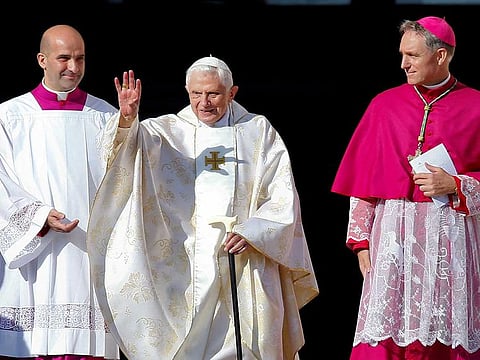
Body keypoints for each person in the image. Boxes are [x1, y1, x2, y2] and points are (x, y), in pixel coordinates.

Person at [86, 56, 319, 360]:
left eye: (213, 94)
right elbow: (123, 158)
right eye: (196, 94)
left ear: (232, 93)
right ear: (186, 91)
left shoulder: (257, 131)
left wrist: (252, 232)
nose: (204, 103)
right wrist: (128, 119)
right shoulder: (167, 130)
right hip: (184, 264)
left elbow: (283, 196)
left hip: (245, 259)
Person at [331, 15, 480, 359]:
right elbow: (364, 181)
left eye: (412, 55)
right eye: (402, 54)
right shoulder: (383, 105)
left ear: (440, 55)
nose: (403, 64)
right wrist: (361, 242)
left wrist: (457, 184)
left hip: (451, 242)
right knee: (387, 338)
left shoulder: (475, 105)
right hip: (393, 239)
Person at [0, 24, 120, 359]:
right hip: (33, 253)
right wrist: (39, 216)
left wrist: (129, 125)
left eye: (80, 59)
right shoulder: (10, 116)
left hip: (86, 252)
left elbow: (125, 180)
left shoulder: (106, 116)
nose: (73, 67)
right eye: (63, 58)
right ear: (42, 59)